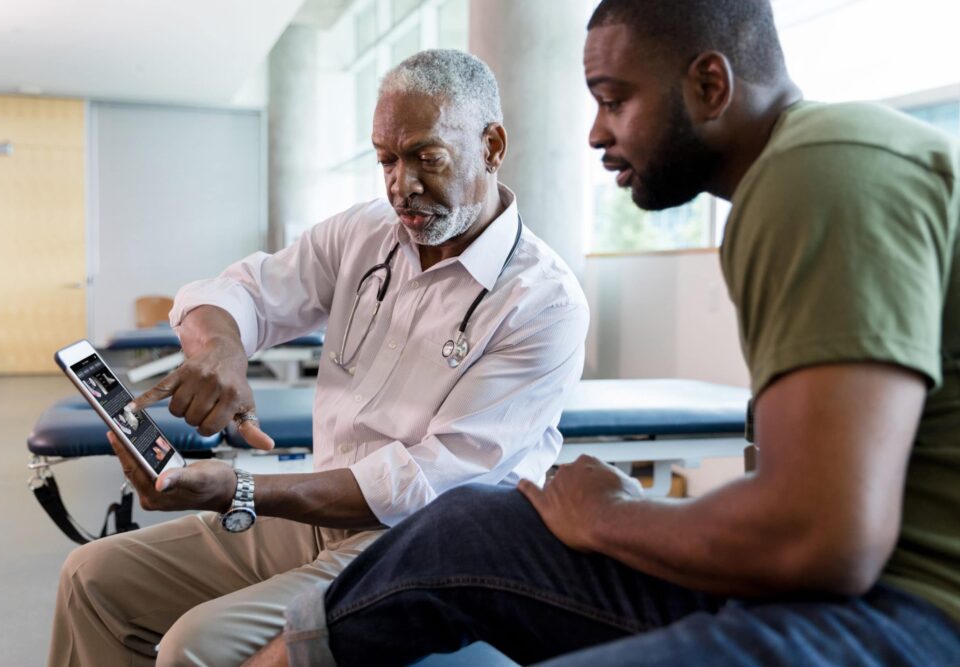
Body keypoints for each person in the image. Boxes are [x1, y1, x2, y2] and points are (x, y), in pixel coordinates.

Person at [316, 1, 960, 665]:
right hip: (835, 585)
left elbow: (821, 536)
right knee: (467, 525)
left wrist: (610, 517)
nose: (595, 133)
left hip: (915, 610)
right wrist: (626, 513)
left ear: (710, 85)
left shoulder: (818, 171)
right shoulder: (792, 179)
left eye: (614, 99)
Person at [47, 49, 589, 667]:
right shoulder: (366, 235)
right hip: (317, 524)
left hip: (428, 549)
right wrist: (223, 345)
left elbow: (425, 485)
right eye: (386, 160)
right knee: (92, 577)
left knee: (195, 647)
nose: (400, 186)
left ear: (492, 146)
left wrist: (241, 488)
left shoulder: (541, 301)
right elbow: (243, 290)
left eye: (425, 157)